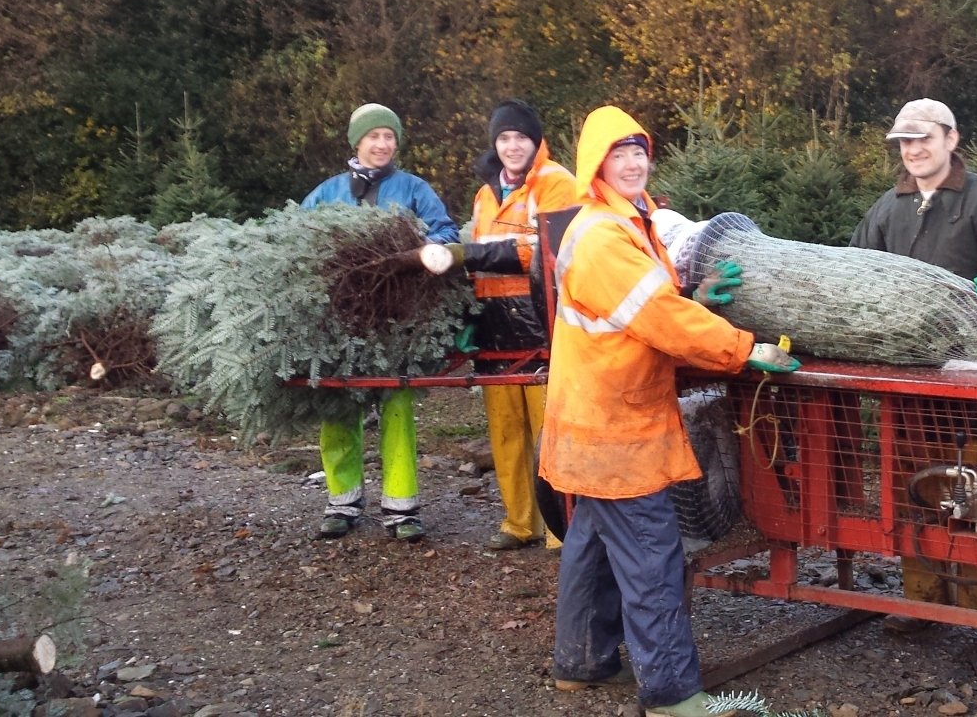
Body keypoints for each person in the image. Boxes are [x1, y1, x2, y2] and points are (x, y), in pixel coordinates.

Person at [539, 106, 799, 717]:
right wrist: (744, 349)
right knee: (652, 556)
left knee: (593, 542)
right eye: (618, 154)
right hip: (616, 428)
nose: (632, 163)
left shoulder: (628, 222)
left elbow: (644, 303)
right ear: (595, 164)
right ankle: (672, 695)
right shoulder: (604, 235)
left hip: (591, 422)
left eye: (639, 151)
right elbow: (655, 319)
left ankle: (581, 662)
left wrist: (692, 297)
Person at [850, 97, 977, 661]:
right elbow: (853, 272)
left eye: (925, 139)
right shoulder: (888, 209)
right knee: (913, 491)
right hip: (908, 390)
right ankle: (922, 602)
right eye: (904, 142)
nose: (914, 150)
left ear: (951, 139)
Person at [301, 103, 459, 542]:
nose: (382, 144)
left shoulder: (413, 189)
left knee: (396, 405)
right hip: (338, 323)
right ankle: (342, 502)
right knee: (337, 407)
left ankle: (402, 509)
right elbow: (293, 240)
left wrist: (414, 249)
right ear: (357, 142)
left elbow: (446, 233)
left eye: (389, 137)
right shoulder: (328, 192)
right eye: (374, 136)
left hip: (397, 319)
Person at [463, 99, 576, 552]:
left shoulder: (556, 183)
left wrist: (474, 255)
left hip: (540, 322)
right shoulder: (486, 191)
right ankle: (518, 522)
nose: (512, 146)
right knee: (506, 429)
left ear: (536, 141)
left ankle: (559, 528)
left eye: (520, 138)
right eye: (504, 138)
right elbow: (473, 244)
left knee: (549, 426)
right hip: (494, 326)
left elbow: (541, 249)